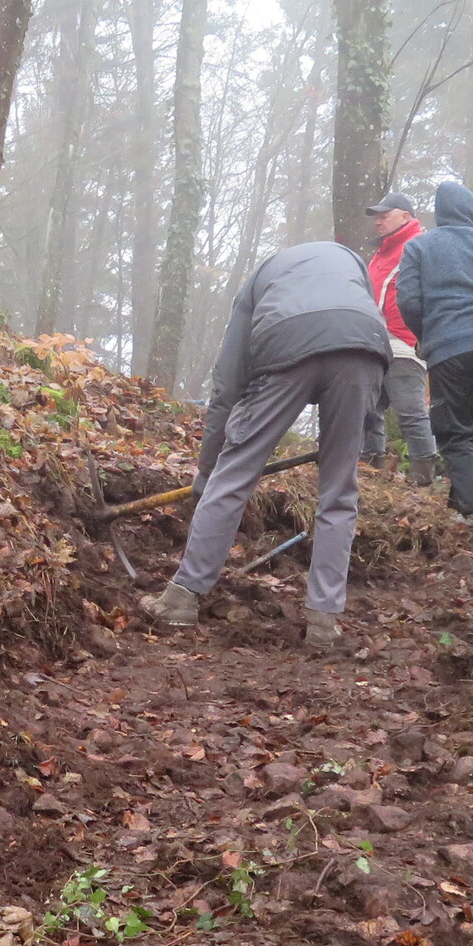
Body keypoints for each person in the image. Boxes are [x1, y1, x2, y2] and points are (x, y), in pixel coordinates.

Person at [141, 239, 390, 649]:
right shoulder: (353, 266)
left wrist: (209, 471)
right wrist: (371, 434)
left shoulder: (259, 280)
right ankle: (323, 622)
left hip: (286, 342)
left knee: (233, 477)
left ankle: (181, 599)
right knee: (339, 492)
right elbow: (371, 352)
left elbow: (227, 384)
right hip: (364, 350)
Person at [394, 176, 473, 533]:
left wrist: (427, 334)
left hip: (448, 345)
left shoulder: (420, 247)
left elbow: (408, 300)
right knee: (469, 423)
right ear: (472, 211)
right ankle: (463, 499)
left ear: (440, 213)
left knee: (452, 428)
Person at [361, 189, 442, 485]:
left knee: (410, 411)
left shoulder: (418, 246)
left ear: (406, 216)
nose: (378, 222)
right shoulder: (383, 251)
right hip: (374, 340)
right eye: (377, 217)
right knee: (368, 410)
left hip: (403, 341)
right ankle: (370, 472)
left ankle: (424, 479)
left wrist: (415, 335)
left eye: (385, 216)